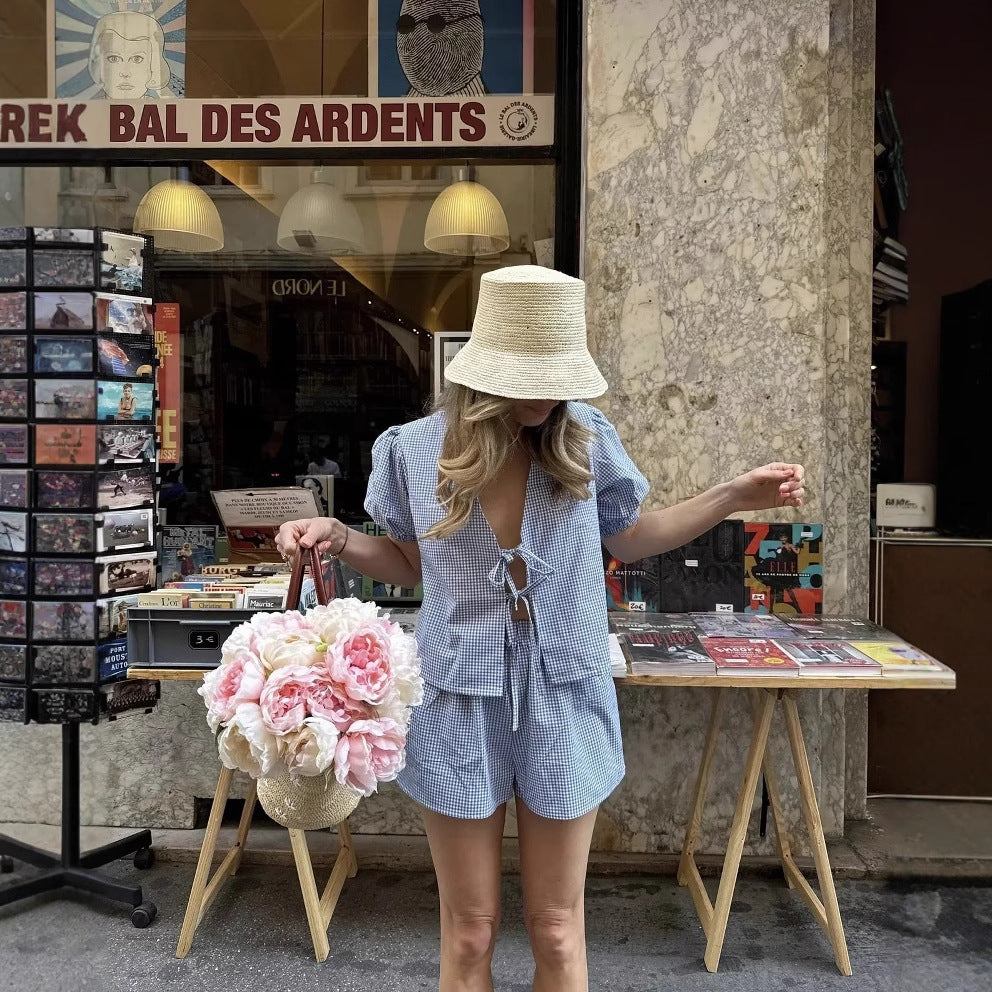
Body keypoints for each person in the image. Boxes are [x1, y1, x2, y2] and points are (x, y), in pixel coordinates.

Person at [275, 265, 806, 991]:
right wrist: (337, 535)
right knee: (470, 931)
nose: (549, 391)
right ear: (484, 369)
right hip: (457, 698)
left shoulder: (585, 440)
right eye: (531, 373)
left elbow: (630, 537)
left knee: (557, 930)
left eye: (559, 374)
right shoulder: (412, 450)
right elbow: (407, 563)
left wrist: (732, 495)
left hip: (564, 694)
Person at [87, 11, 171, 100]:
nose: (125, 73)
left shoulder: (161, 106)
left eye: (137, 59)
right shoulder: (88, 109)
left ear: (154, 64)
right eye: (114, 58)